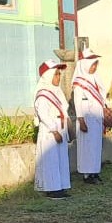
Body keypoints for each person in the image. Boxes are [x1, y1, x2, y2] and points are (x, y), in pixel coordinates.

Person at [34, 59, 71, 199]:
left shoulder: (57, 91)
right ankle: (52, 188)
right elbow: (43, 114)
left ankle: (60, 186)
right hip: (50, 131)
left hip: (60, 127)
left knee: (61, 159)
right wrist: (54, 130)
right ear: (48, 75)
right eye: (56, 74)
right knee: (51, 160)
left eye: (59, 74)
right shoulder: (43, 93)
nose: (58, 77)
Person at [71, 47, 106, 184]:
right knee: (87, 147)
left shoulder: (96, 77)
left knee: (96, 146)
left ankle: (95, 171)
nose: (94, 67)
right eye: (92, 64)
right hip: (86, 119)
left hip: (96, 117)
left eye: (96, 64)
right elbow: (77, 101)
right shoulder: (79, 82)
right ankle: (87, 174)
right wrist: (81, 119)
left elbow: (102, 94)